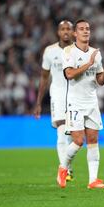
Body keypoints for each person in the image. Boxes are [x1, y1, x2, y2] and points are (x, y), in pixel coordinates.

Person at [56, 19, 104, 189]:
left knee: (93, 139)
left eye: (88, 29)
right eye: (81, 29)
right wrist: (88, 63)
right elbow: (69, 74)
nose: (85, 31)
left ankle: (93, 180)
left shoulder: (96, 53)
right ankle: (63, 168)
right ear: (75, 33)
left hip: (91, 101)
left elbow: (99, 81)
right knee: (77, 141)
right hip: (75, 102)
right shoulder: (69, 51)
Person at [33, 20, 75, 181]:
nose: (65, 32)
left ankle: (68, 166)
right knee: (61, 132)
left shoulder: (78, 50)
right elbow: (44, 78)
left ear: (73, 32)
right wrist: (38, 102)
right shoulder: (49, 51)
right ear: (58, 32)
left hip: (75, 95)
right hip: (57, 94)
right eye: (63, 29)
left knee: (73, 136)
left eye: (68, 29)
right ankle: (64, 169)